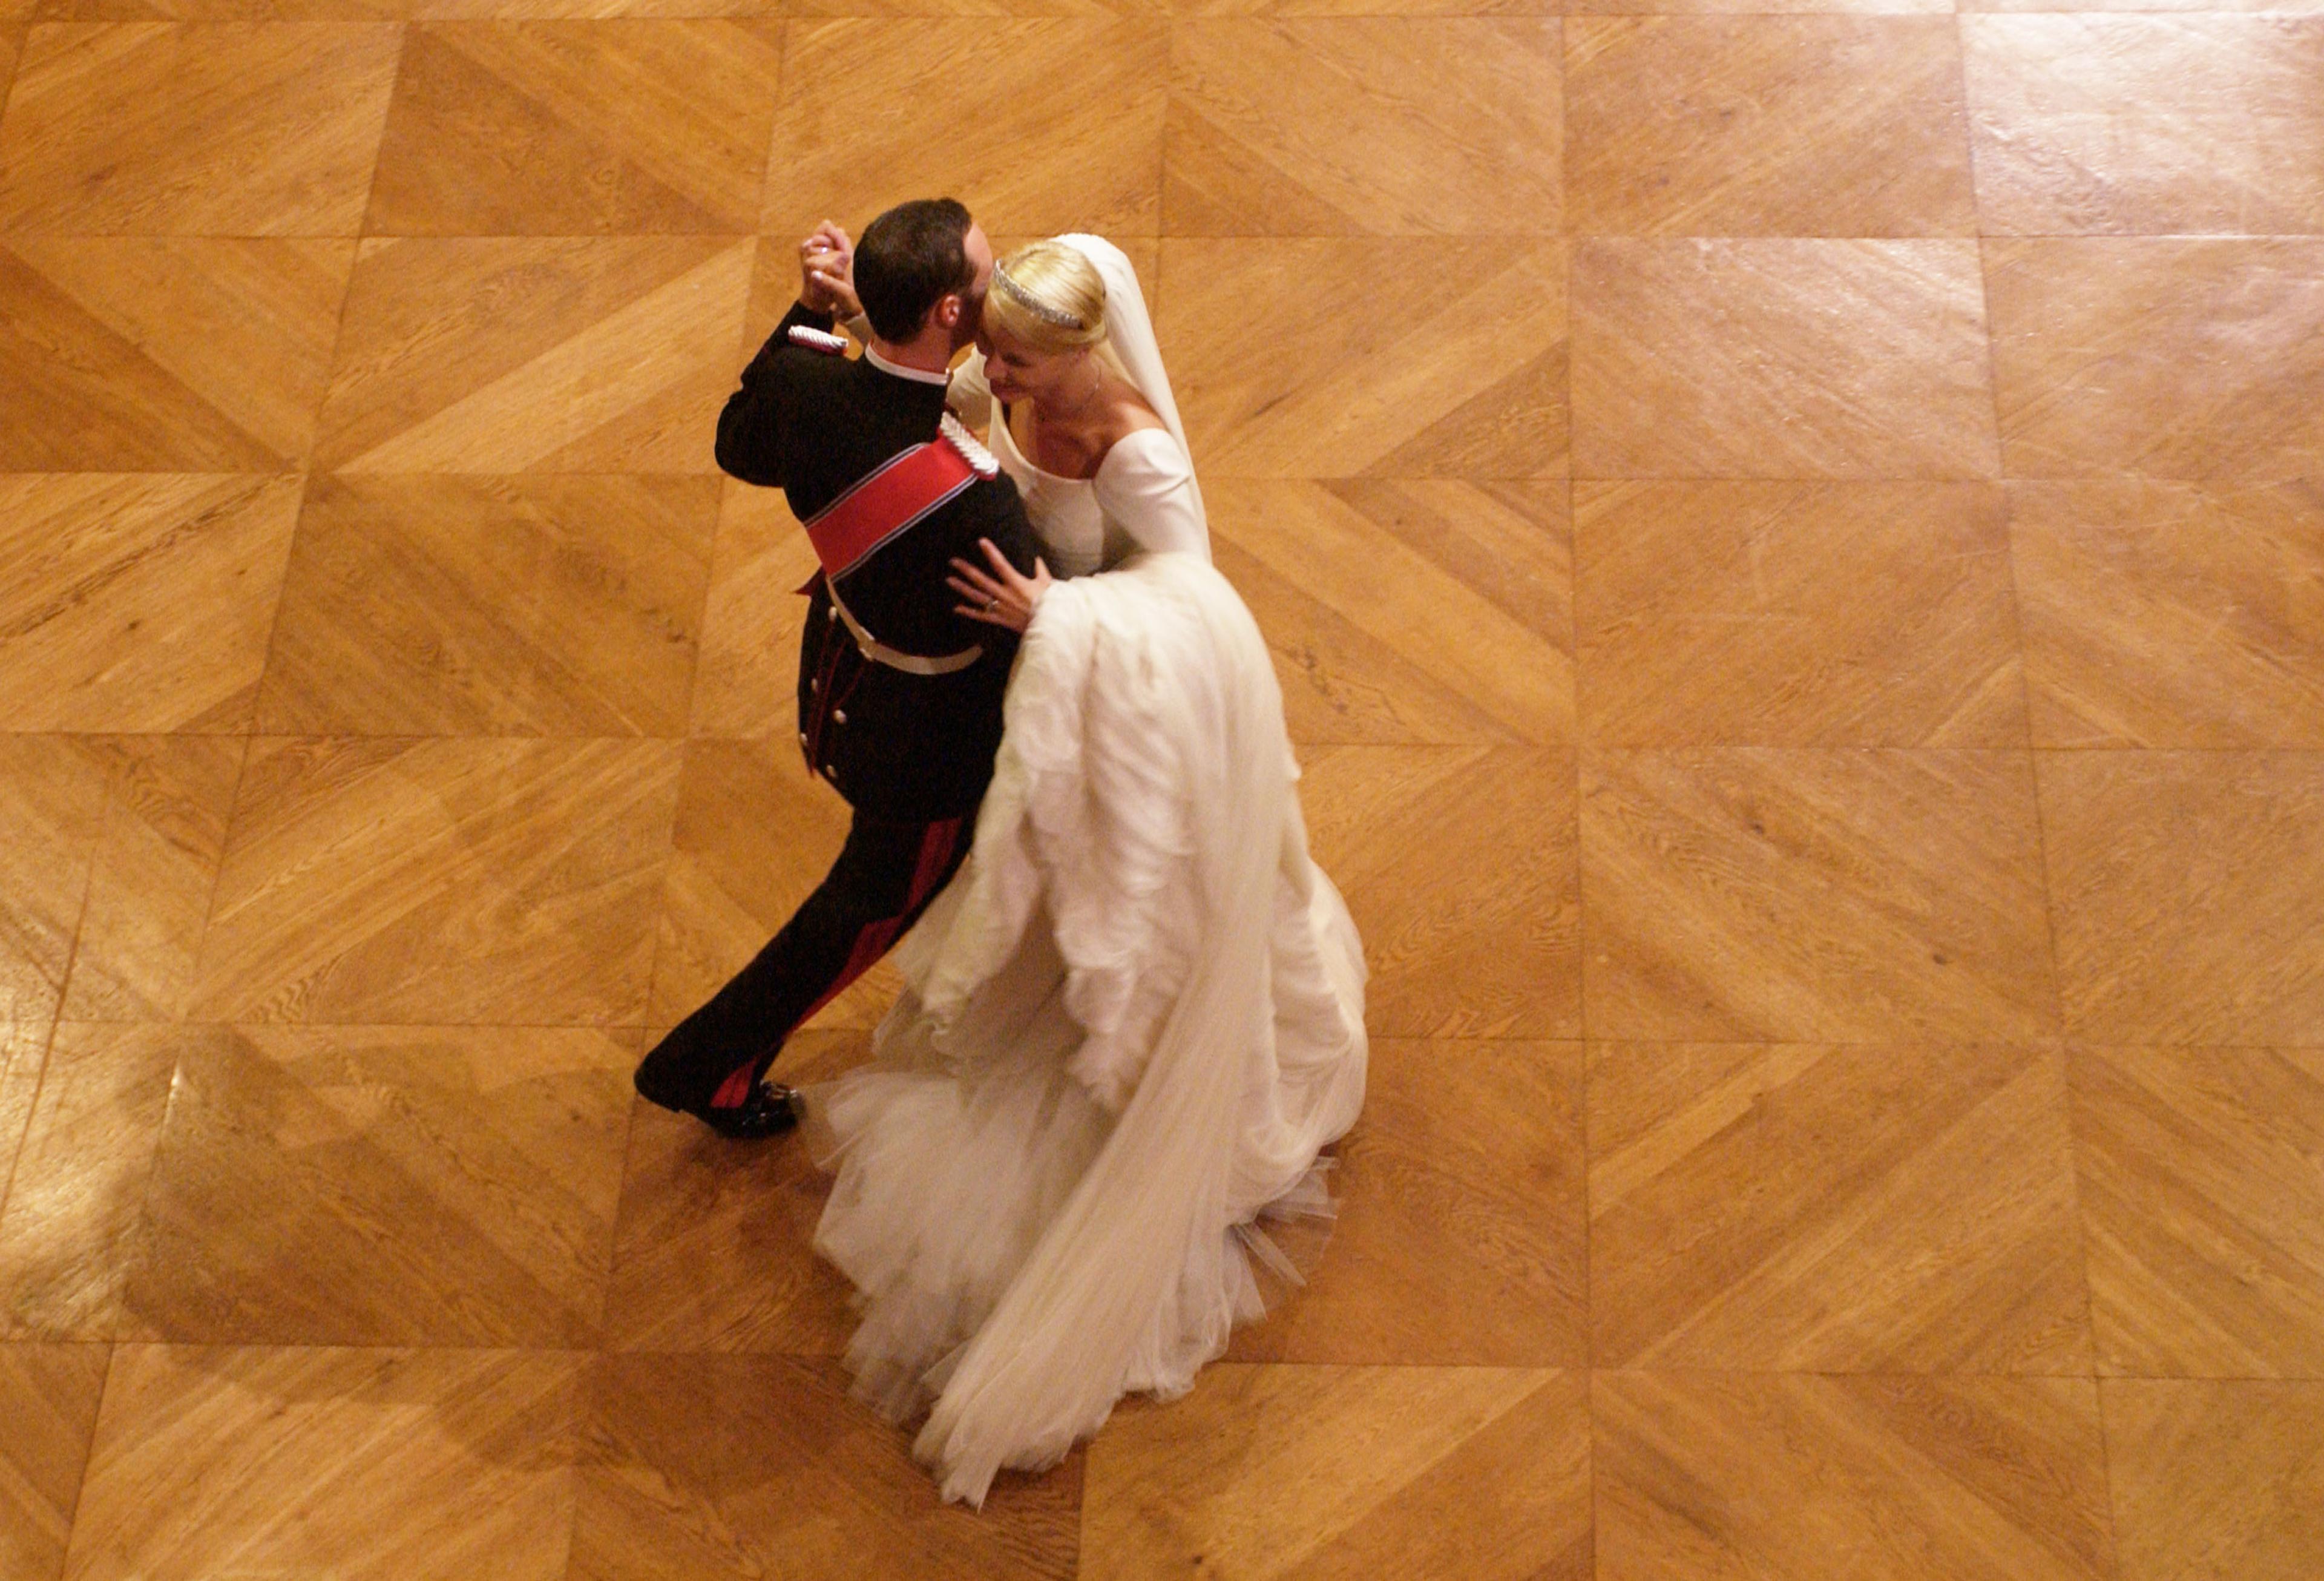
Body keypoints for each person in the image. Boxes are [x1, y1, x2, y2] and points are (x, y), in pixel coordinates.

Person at [796, 232, 1368, 1506]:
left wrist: (1059, 615)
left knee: (1127, 941)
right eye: (987, 347)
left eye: (1009, 358)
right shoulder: (1005, 384)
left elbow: (1194, 605)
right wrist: (849, 313)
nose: (987, 374)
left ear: (1071, 354)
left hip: (1123, 714)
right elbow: (933, 397)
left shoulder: (1140, 452)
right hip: (1049, 709)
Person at [631, 199, 1041, 1139]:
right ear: (948, 313)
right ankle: (706, 1067)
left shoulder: (805, 385)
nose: (1001, 279)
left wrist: (812, 311)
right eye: (987, 275)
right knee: (865, 913)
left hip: (841, 677)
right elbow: (1034, 646)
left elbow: (740, 443)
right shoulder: (977, 502)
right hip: (925, 745)